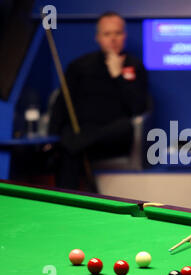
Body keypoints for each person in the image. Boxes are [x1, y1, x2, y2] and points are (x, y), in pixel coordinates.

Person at [48, 11, 148, 191]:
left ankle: (74, 143)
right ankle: (65, 202)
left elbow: (138, 108)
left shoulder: (135, 66)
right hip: (83, 135)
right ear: (98, 37)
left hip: (112, 139)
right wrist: (51, 134)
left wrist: (118, 76)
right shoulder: (80, 66)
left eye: (117, 33)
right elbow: (62, 103)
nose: (113, 39)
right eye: (107, 34)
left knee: (123, 126)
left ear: (124, 36)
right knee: (69, 149)